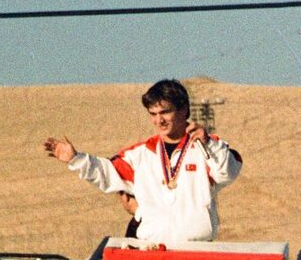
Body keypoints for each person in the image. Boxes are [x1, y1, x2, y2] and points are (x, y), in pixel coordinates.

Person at [43, 78, 242, 244]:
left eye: (165, 112)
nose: (159, 120)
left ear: (183, 110)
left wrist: (209, 143)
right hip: (152, 249)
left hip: (196, 249)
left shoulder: (206, 147)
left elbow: (227, 173)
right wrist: (76, 159)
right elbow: (106, 173)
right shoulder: (140, 154)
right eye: (153, 114)